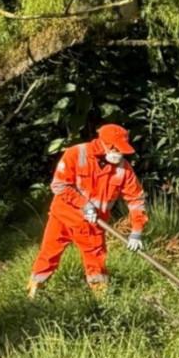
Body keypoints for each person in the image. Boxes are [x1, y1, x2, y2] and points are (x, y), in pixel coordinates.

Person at [28, 124, 147, 298]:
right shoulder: (76, 154)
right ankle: (34, 291)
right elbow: (59, 185)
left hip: (93, 223)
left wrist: (137, 231)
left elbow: (136, 199)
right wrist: (84, 204)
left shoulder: (124, 169)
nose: (119, 154)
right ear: (107, 145)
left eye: (121, 150)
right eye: (116, 149)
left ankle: (102, 299)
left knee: (96, 263)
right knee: (48, 253)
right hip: (63, 216)